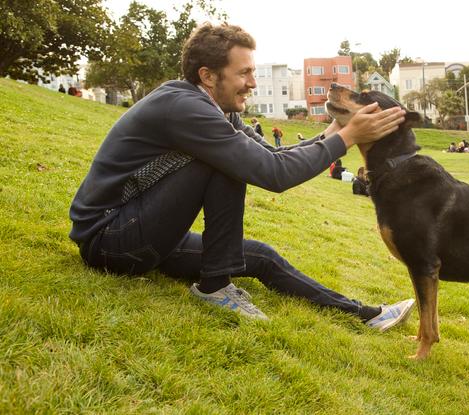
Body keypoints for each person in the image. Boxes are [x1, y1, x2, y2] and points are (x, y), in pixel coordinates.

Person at [68, 22, 414, 330]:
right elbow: (272, 174)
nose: (252, 83)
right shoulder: (183, 108)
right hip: (110, 240)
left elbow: (274, 156)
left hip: (146, 235)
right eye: (244, 73)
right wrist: (348, 138)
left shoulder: (216, 110)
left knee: (260, 256)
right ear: (207, 76)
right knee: (222, 162)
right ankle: (215, 287)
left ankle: (367, 315)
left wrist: (336, 129)